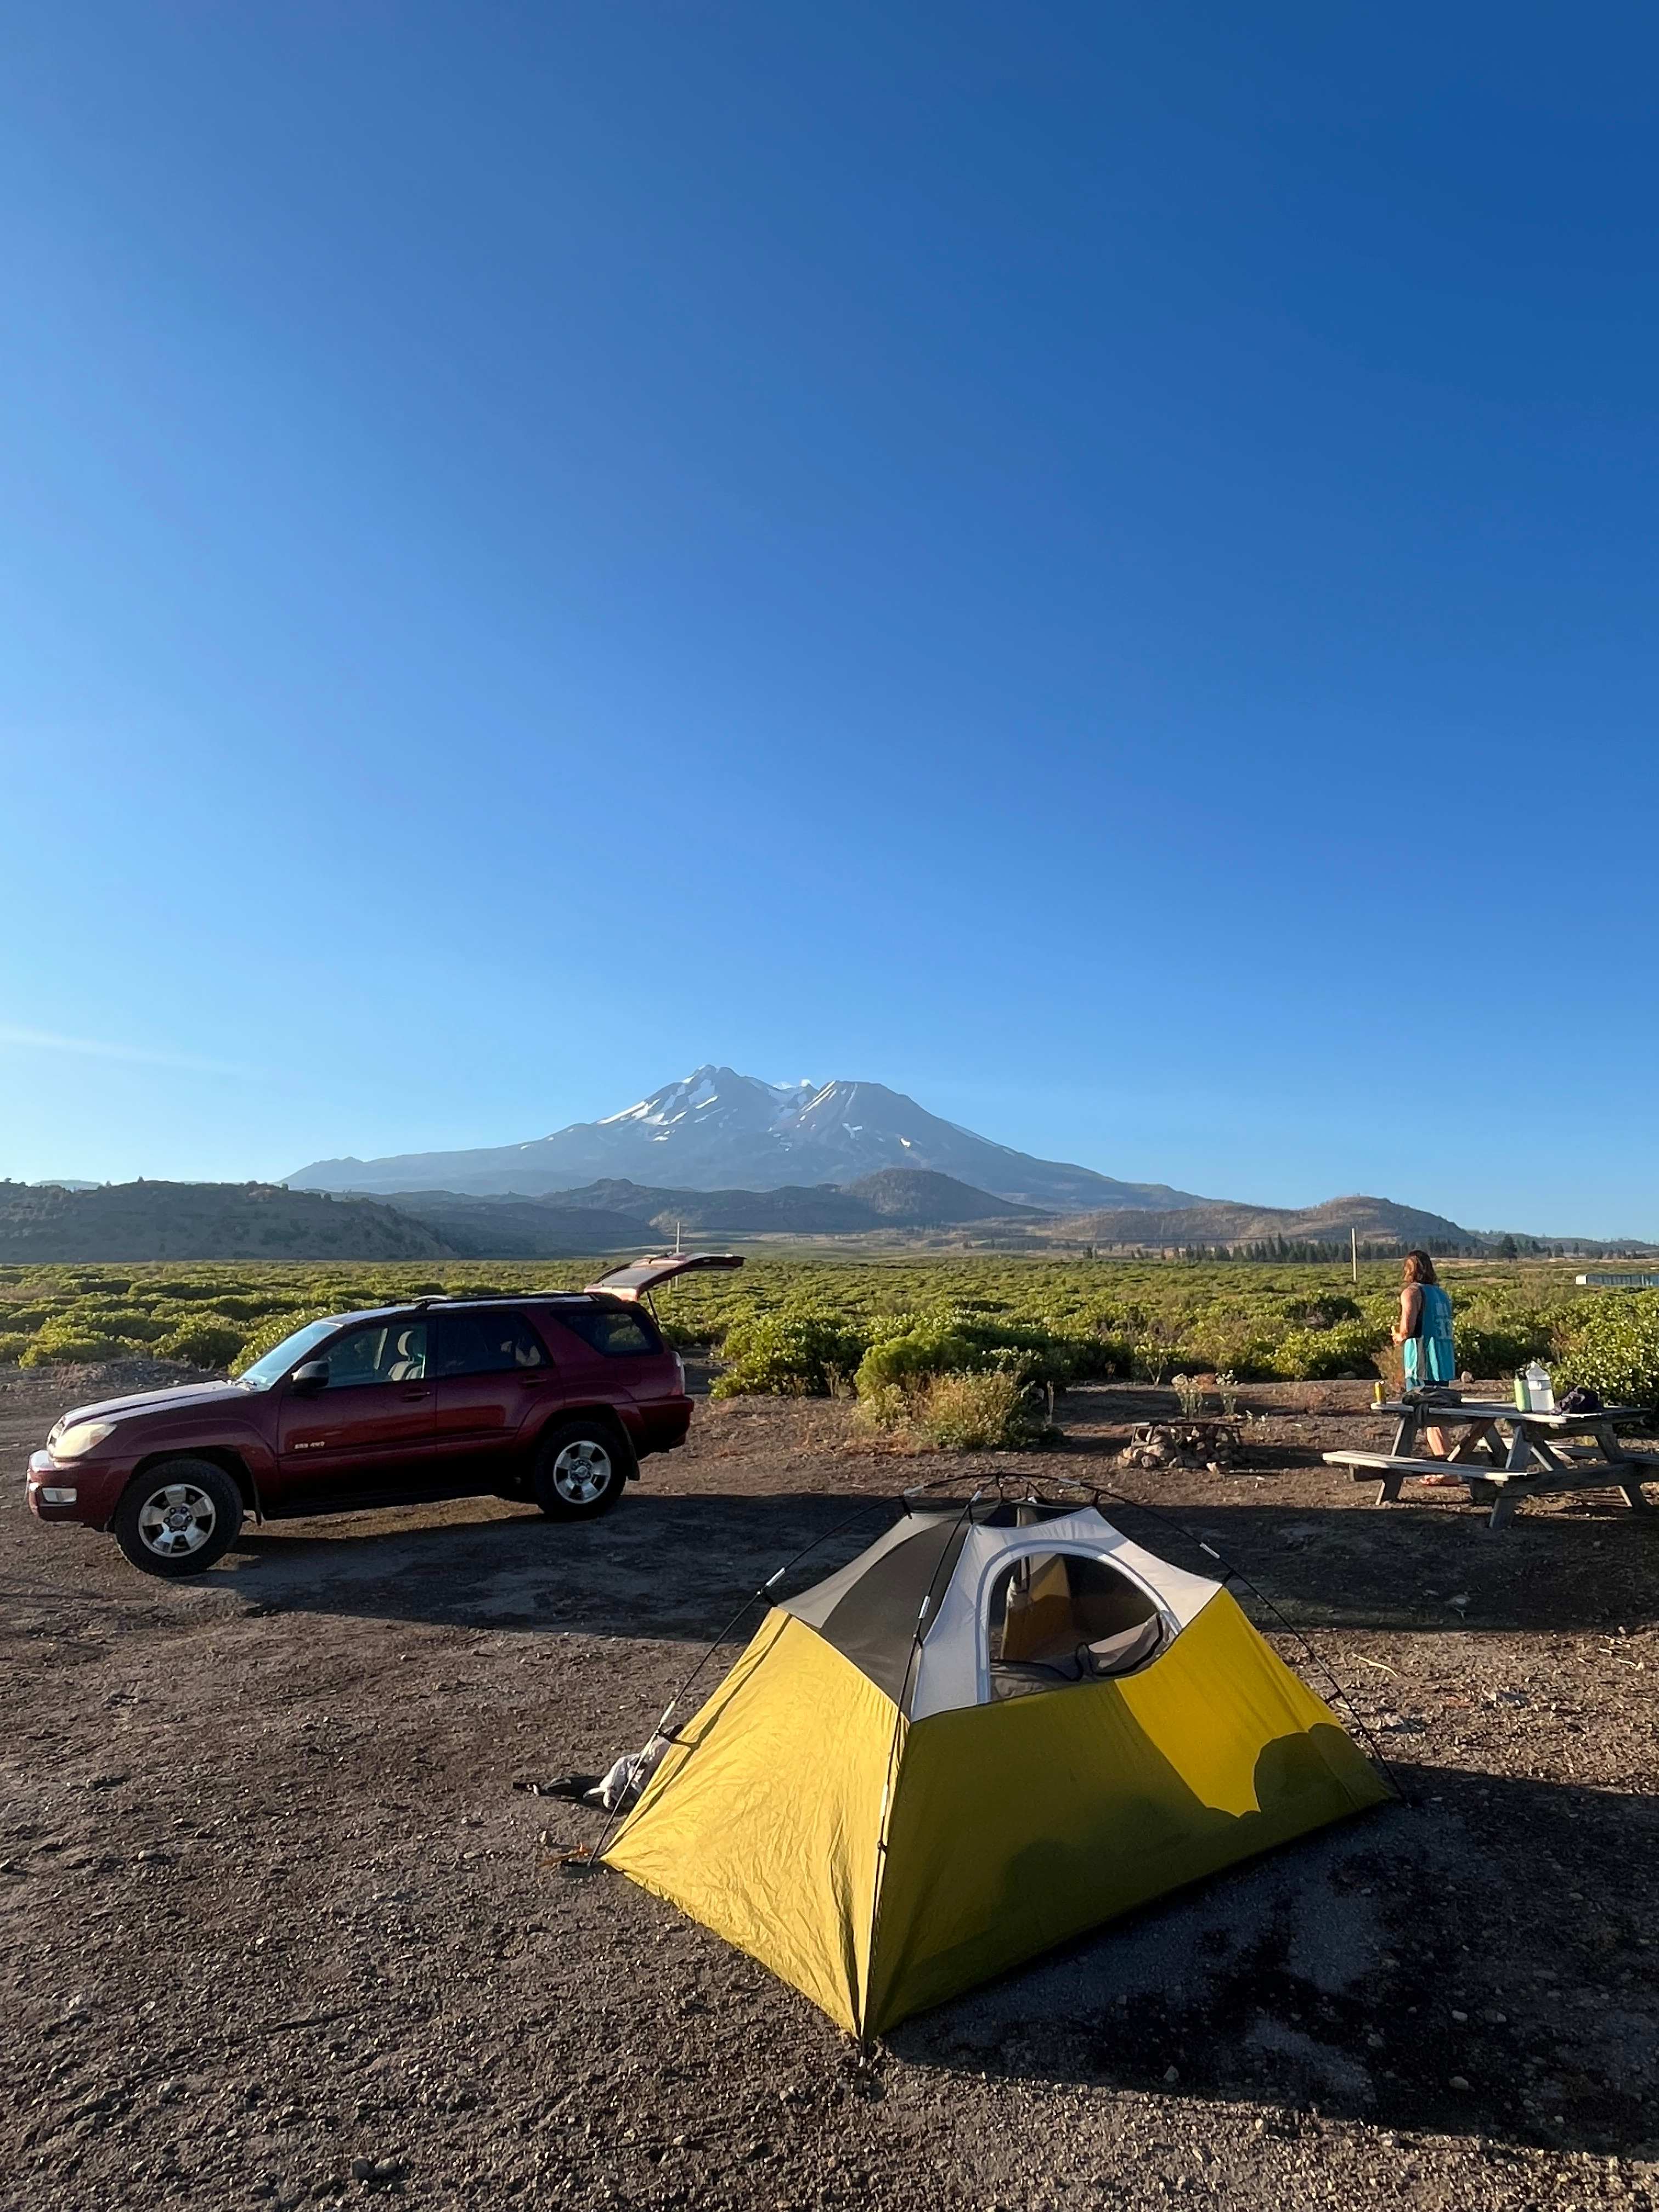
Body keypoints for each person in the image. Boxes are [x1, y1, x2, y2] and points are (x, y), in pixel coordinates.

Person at [1391, 1251, 1459, 1474]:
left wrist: (1398, 1336)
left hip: (1422, 1361)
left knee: (1427, 1415)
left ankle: (1446, 1471)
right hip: (1443, 1360)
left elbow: (1407, 1329)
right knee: (1437, 1415)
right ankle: (1447, 1467)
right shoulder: (1441, 1294)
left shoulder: (1412, 1293)